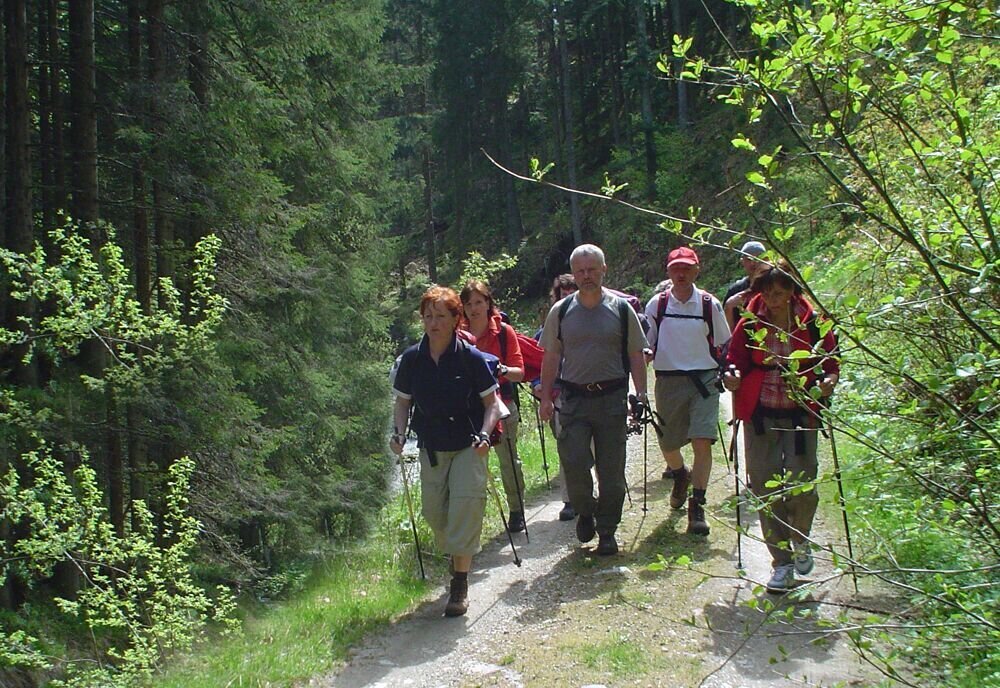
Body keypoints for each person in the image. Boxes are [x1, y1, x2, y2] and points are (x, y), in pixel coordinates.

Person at [723, 265, 839, 594]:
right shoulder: (750, 322)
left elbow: (831, 362)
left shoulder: (812, 321)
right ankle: (782, 562)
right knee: (764, 486)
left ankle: (800, 538)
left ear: (791, 291)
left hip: (802, 414)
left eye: (778, 292)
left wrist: (829, 381)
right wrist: (730, 375)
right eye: (766, 292)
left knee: (803, 484)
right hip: (761, 415)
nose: (772, 299)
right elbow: (733, 358)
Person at [390, 286, 504, 617]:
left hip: (469, 444)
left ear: (456, 319)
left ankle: (459, 584)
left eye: (441, 316)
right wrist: (398, 433)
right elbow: (402, 403)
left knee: (464, 509)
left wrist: (485, 435)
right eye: (428, 316)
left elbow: (492, 405)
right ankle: (456, 557)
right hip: (432, 446)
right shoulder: (412, 360)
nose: (433, 323)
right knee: (434, 514)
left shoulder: (471, 358)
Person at [539, 244, 648, 556]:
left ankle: (607, 529)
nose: (586, 276)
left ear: (604, 270)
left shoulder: (622, 309)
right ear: (573, 274)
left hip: (612, 399)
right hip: (573, 400)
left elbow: (635, 355)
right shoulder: (561, 311)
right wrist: (546, 397)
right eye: (580, 271)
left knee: (611, 470)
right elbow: (551, 357)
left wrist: (641, 396)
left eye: (592, 269)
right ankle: (585, 510)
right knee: (573, 462)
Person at [644, 246, 731, 536]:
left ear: (696, 270)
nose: (681, 273)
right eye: (675, 268)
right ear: (668, 272)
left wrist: (730, 370)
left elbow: (724, 343)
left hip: (704, 381)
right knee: (668, 443)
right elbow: (647, 344)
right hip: (668, 381)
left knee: (702, 441)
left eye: (686, 268)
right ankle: (681, 474)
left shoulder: (709, 304)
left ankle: (698, 504)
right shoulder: (657, 304)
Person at [460, 280, 528, 533]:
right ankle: (474, 522)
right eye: (469, 304)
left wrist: (500, 369)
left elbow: (519, 372)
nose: (474, 308)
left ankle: (517, 510)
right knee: (474, 467)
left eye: (479, 302)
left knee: (509, 461)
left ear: (488, 303)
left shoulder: (503, 332)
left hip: (503, 405)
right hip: (471, 410)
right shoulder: (458, 335)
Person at [532, 273, 579, 522]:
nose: (568, 298)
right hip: (561, 397)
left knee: (594, 447)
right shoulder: (546, 330)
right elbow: (535, 364)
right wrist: (539, 387)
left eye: (572, 292)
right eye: (563, 294)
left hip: (591, 393)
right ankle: (570, 500)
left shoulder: (591, 324)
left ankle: (594, 494)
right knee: (566, 447)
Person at [722, 240, 770, 331]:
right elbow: (726, 329)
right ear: (742, 261)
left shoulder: (774, 285)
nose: (753, 263)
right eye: (748, 259)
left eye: (757, 258)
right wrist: (729, 306)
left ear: (766, 259)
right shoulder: (736, 290)